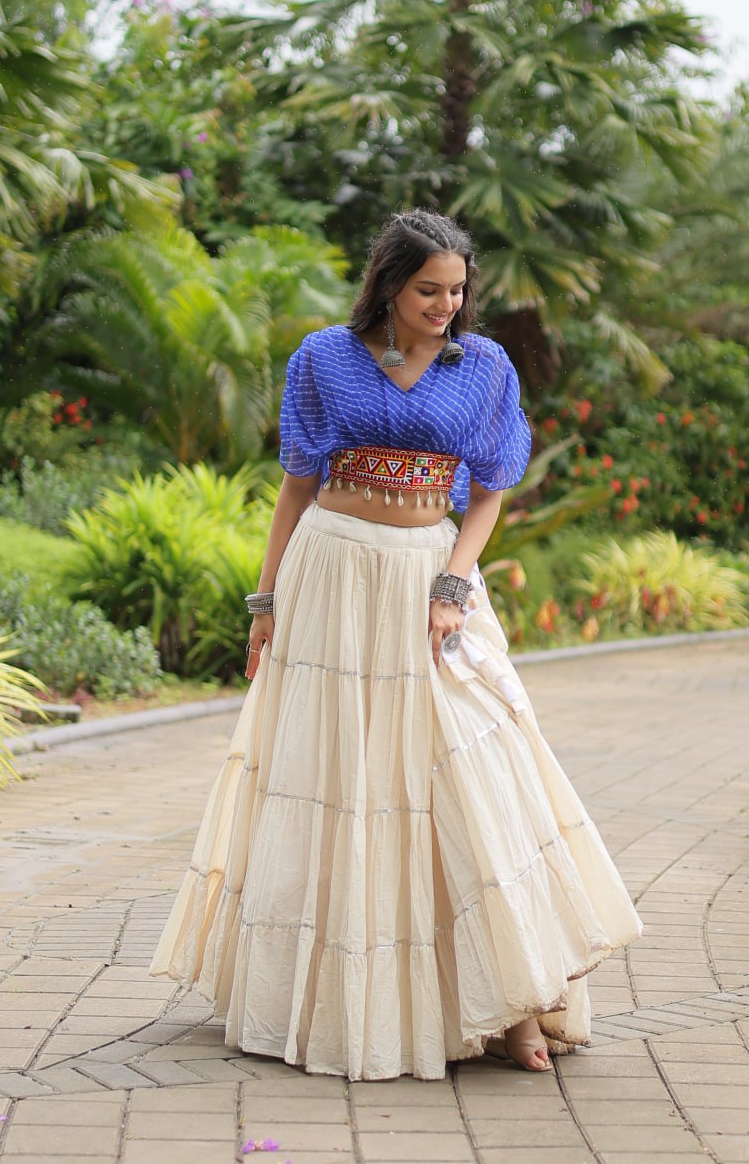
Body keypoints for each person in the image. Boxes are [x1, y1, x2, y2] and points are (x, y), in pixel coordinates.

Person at [149, 209, 643, 1081]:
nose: (445, 305)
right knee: (340, 774)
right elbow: (295, 488)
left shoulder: (482, 365)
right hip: (333, 576)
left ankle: (519, 999)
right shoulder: (322, 358)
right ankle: (330, 1001)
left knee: (476, 770)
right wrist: (265, 602)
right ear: (387, 284)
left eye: (457, 291)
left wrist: (453, 585)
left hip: (427, 578)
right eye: (428, 290)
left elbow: (488, 490)